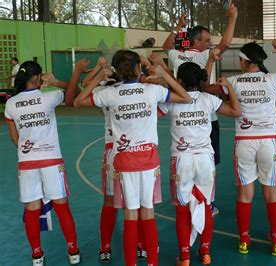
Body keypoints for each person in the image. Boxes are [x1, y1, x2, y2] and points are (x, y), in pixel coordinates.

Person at [74, 50, 191, 266]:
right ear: (139, 69)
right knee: (147, 211)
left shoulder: (109, 94)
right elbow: (185, 97)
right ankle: (151, 261)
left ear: (117, 70)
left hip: (123, 160)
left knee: (129, 213)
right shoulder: (151, 91)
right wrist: (165, 75)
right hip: (148, 160)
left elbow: (78, 102)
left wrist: (98, 77)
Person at [215, 40, 276, 256]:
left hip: (244, 142)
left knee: (245, 194)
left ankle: (244, 242)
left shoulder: (233, 81)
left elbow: (203, 87)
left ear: (243, 61)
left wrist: (211, 62)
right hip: (269, 142)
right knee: (272, 194)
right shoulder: (272, 79)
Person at [158, 62, 240, 266]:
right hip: (205, 159)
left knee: (182, 208)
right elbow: (236, 111)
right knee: (205, 205)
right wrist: (229, 88)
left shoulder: (173, 101)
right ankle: (205, 252)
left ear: (179, 80)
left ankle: (184, 256)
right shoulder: (209, 99)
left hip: (181, 160)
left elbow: (150, 115)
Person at [162, 3, 238, 216]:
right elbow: (226, 42)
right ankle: (207, 201)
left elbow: (166, 45)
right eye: (207, 40)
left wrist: (178, 26)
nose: (210, 43)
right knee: (207, 160)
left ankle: (186, 198)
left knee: (184, 155)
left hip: (181, 112)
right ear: (197, 42)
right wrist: (232, 18)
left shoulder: (177, 56)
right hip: (206, 113)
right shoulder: (205, 56)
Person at [4, 61, 80, 266]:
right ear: (37, 77)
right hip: (51, 160)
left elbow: (14, 138)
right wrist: (55, 82)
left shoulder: (11, 104)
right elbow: (75, 92)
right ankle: (73, 250)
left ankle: (36, 255)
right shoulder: (50, 97)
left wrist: (28, 151)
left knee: (32, 208)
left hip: (27, 162)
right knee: (61, 205)